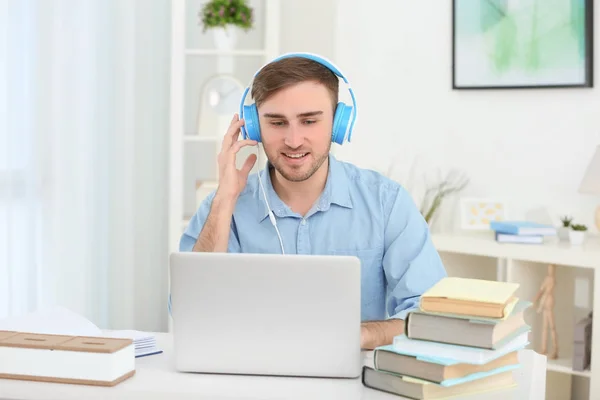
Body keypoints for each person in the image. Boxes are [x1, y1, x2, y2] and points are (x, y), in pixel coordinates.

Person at [180, 53, 447, 350]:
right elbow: (188, 312)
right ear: (254, 127)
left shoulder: (386, 203)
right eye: (277, 122)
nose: (294, 140)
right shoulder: (224, 205)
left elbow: (431, 314)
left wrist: (361, 336)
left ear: (338, 123)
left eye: (309, 121)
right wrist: (225, 199)